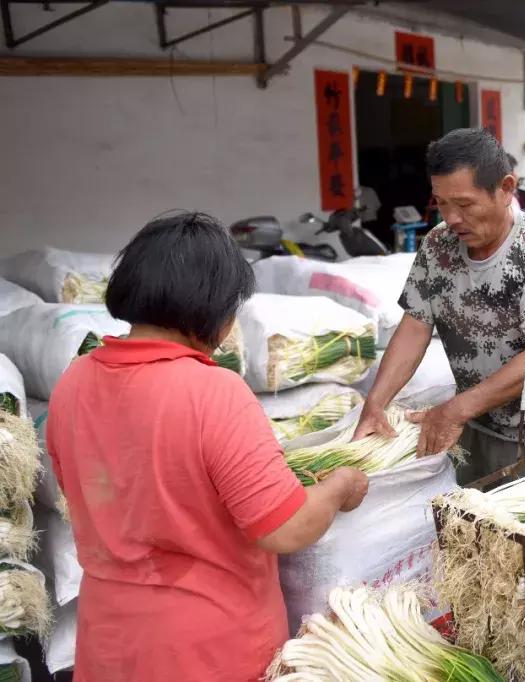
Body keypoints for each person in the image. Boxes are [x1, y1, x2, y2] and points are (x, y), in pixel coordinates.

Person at [46, 213, 369, 680]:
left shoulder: (73, 382)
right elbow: (285, 528)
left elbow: (90, 493)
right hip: (207, 653)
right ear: (212, 308)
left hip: (109, 647)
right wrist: (340, 485)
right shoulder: (212, 391)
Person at [352, 128, 525, 484]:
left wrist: (455, 410)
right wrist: (376, 403)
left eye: (464, 204)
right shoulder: (437, 247)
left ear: (506, 189)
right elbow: (415, 326)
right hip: (472, 421)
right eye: (442, 203)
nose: (452, 218)